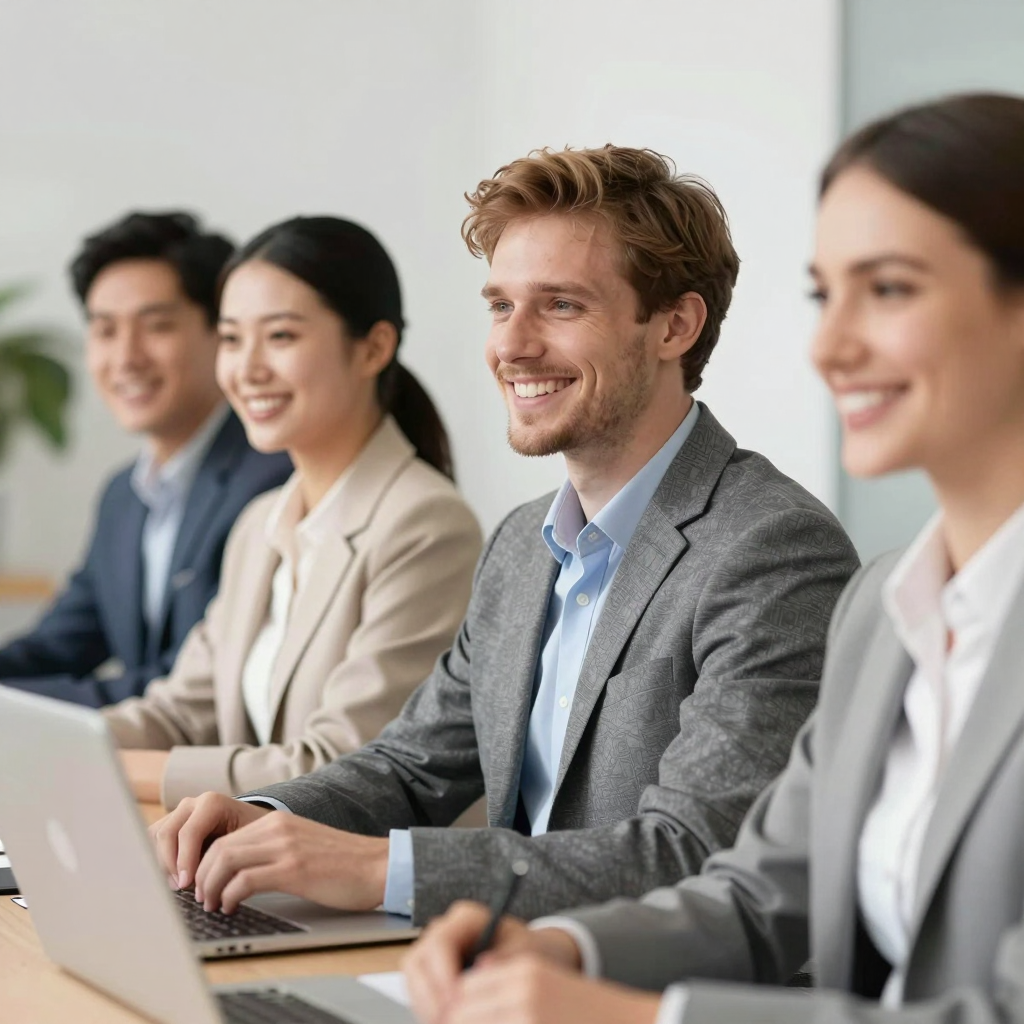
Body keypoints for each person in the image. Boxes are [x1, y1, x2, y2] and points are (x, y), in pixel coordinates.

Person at [402, 92, 1024, 1024]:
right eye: (825, 295)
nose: (830, 345)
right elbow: (762, 893)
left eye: (889, 288)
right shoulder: (887, 608)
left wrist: (633, 1015)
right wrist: (557, 946)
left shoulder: (779, 550)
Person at [148, 146, 858, 925]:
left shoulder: (772, 551)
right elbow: (412, 768)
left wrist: (377, 866)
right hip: (496, 973)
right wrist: (253, 817)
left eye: (560, 305)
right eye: (499, 305)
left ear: (675, 326)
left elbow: (692, 851)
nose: (511, 345)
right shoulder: (525, 543)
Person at [100, 216, 482, 808]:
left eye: (279, 337)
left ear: (374, 348)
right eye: (230, 339)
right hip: (251, 871)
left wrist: (124, 770)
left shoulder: (426, 524)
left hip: (367, 885)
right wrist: (66, 745)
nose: (247, 369)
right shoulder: (259, 525)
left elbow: (339, 765)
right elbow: (180, 709)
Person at [0, 212, 292, 708]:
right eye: (105, 330)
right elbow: (59, 646)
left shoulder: (271, 480)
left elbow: (195, 688)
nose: (126, 357)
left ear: (221, 333)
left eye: (156, 326)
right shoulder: (124, 496)